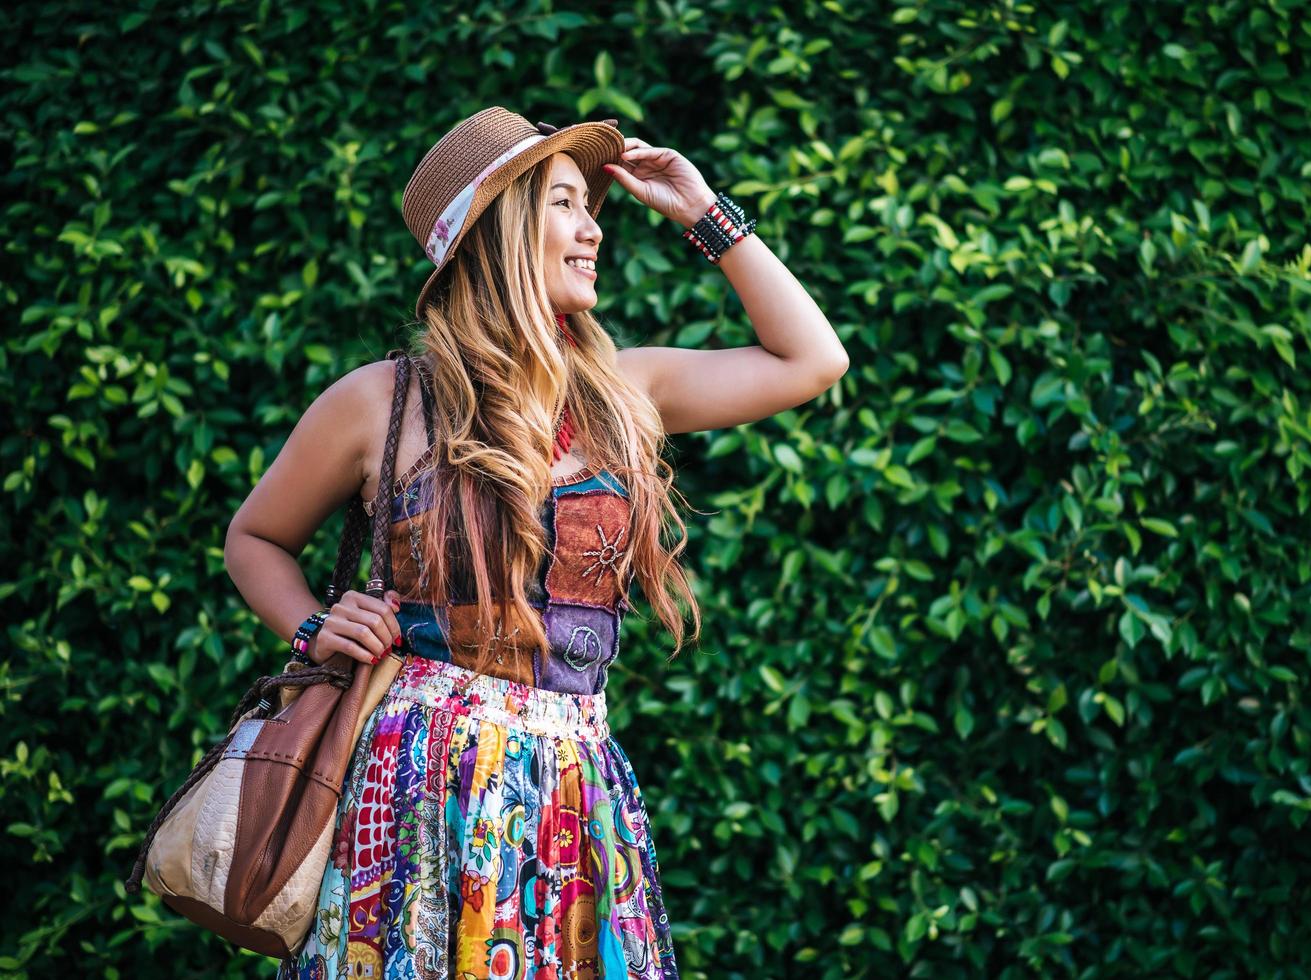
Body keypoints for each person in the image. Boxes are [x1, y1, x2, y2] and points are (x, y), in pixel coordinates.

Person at [223, 107, 849, 980]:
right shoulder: (380, 402)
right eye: (565, 203)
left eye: (591, 208)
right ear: (498, 230)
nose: (595, 228)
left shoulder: (627, 390)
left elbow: (811, 360)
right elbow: (254, 537)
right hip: (412, 793)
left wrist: (705, 211)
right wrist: (310, 627)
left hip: (572, 786)